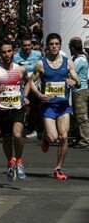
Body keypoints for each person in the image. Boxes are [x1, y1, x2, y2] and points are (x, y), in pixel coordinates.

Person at [28, 33, 81, 180]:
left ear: (60, 45)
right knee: (53, 138)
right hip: (49, 105)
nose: (54, 47)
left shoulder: (67, 62)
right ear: (47, 47)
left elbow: (77, 80)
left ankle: (58, 168)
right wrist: (39, 95)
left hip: (63, 105)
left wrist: (74, 82)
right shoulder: (41, 64)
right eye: (51, 44)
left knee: (64, 137)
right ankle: (45, 136)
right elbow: (31, 81)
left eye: (57, 44)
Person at [0, 40, 30, 182]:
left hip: (17, 107)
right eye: (3, 52)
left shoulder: (20, 69)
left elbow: (28, 81)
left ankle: (20, 162)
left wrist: (25, 96)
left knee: (17, 135)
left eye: (9, 51)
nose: (7, 54)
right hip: (2, 108)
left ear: (13, 52)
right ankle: (11, 162)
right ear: (0, 54)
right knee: (6, 139)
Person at [13, 35, 43, 139]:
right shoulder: (16, 57)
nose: (27, 47)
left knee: (38, 106)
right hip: (22, 84)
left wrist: (40, 80)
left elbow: (42, 68)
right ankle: (27, 127)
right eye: (24, 45)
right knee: (26, 107)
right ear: (21, 46)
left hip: (34, 84)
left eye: (29, 45)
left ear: (32, 45)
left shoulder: (38, 54)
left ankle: (38, 129)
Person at [68, 37, 89, 148]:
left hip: (81, 90)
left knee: (81, 116)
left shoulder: (80, 60)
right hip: (77, 91)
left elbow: (72, 72)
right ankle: (79, 138)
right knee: (77, 116)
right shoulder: (76, 58)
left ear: (72, 47)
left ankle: (85, 141)